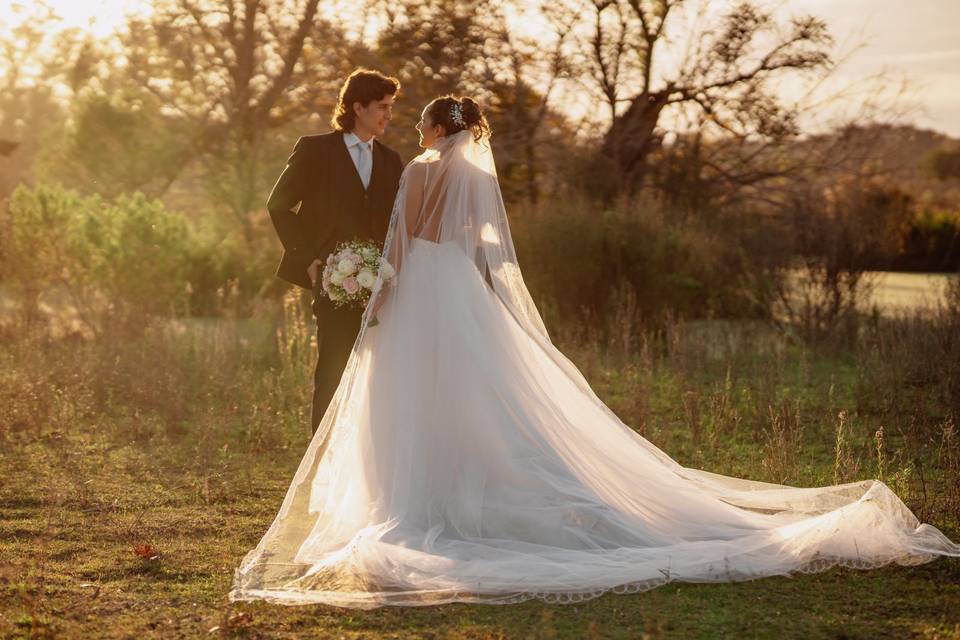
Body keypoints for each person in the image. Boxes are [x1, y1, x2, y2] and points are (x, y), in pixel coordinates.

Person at [233, 96, 959, 609]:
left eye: (420, 118)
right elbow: (488, 251)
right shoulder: (477, 177)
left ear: (435, 128)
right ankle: (471, 490)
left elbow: (398, 243)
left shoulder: (419, 170)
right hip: (462, 291)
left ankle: (416, 497)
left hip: (420, 286)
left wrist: (380, 289)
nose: (413, 125)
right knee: (481, 395)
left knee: (408, 395)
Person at [266, 68, 404, 434]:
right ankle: (320, 464)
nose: (388, 115)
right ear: (357, 107)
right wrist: (308, 261)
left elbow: (396, 222)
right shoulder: (315, 150)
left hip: (381, 284)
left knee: (379, 375)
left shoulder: (392, 161)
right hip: (331, 280)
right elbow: (279, 205)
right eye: (382, 107)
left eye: (390, 107)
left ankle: (365, 465)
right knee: (332, 369)